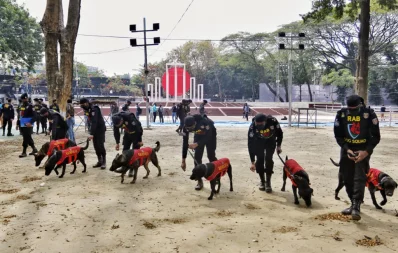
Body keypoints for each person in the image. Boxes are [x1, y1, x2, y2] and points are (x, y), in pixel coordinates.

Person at [334, 95, 381, 221]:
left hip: (363, 150)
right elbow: (338, 135)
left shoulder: (369, 114)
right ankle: (352, 202)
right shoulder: (341, 114)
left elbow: (375, 137)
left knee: (359, 177)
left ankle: (356, 205)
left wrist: (366, 152)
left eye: (354, 109)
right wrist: (347, 149)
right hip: (347, 150)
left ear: (360, 105)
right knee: (346, 177)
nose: (352, 111)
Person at [181, 114, 217, 190]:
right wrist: (183, 160)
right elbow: (185, 143)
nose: (190, 130)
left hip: (210, 135)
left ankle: (215, 176)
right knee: (197, 158)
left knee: (211, 156)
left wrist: (197, 144)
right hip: (198, 135)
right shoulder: (185, 128)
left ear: (195, 123)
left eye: (191, 128)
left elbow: (208, 136)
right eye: (188, 129)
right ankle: (199, 181)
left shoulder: (204, 122)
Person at [248, 113, 283, 192]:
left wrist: (279, 146)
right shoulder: (252, 126)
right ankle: (262, 181)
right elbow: (250, 144)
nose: (259, 126)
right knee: (260, 160)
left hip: (270, 141)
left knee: (268, 159)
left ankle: (268, 182)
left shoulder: (273, 121)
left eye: (261, 124)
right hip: (259, 142)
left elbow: (280, 133)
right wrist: (252, 162)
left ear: (265, 121)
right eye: (258, 124)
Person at [80, 97, 107, 169]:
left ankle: (104, 161)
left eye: (82, 104)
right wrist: (90, 131)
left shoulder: (94, 109)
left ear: (86, 103)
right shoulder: (87, 109)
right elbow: (89, 121)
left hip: (100, 129)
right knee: (96, 146)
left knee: (100, 145)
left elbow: (94, 121)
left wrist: (91, 134)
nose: (82, 106)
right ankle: (99, 161)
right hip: (94, 130)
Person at [18, 93, 37, 157]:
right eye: (23, 99)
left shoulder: (31, 106)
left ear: (27, 98)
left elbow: (35, 116)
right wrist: (18, 124)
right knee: (27, 136)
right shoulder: (21, 106)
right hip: (22, 124)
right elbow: (20, 115)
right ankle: (34, 149)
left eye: (24, 99)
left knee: (26, 137)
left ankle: (24, 152)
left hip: (28, 124)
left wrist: (30, 122)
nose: (23, 100)